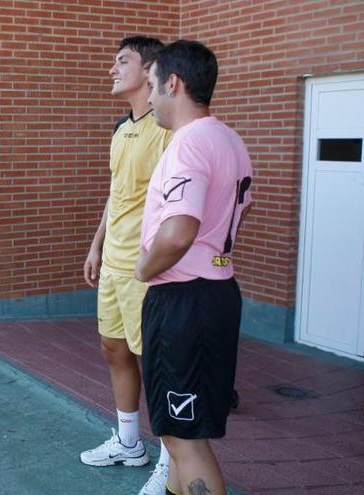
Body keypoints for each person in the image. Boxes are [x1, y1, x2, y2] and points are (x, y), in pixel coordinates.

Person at [136, 40, 252, 495]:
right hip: (213, 293)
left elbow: (180, 230)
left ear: (173, 83)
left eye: (152, 86)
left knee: (186, 442)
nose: (148, 98)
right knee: (177, 433)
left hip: (186, 300)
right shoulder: (228, 139)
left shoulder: (189, 144)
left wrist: (145, 267)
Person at [78, 36, 174, 495]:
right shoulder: (121, 130)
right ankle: (129, 442)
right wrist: (96, 245)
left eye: (122, 61)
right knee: (113, 350)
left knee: (152, 361)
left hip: (145, 271)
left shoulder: (169, 130)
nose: (112, 69)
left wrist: (153, 259)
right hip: (113, 263)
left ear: (149, 69)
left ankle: (171, 460)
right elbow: (117, 196)